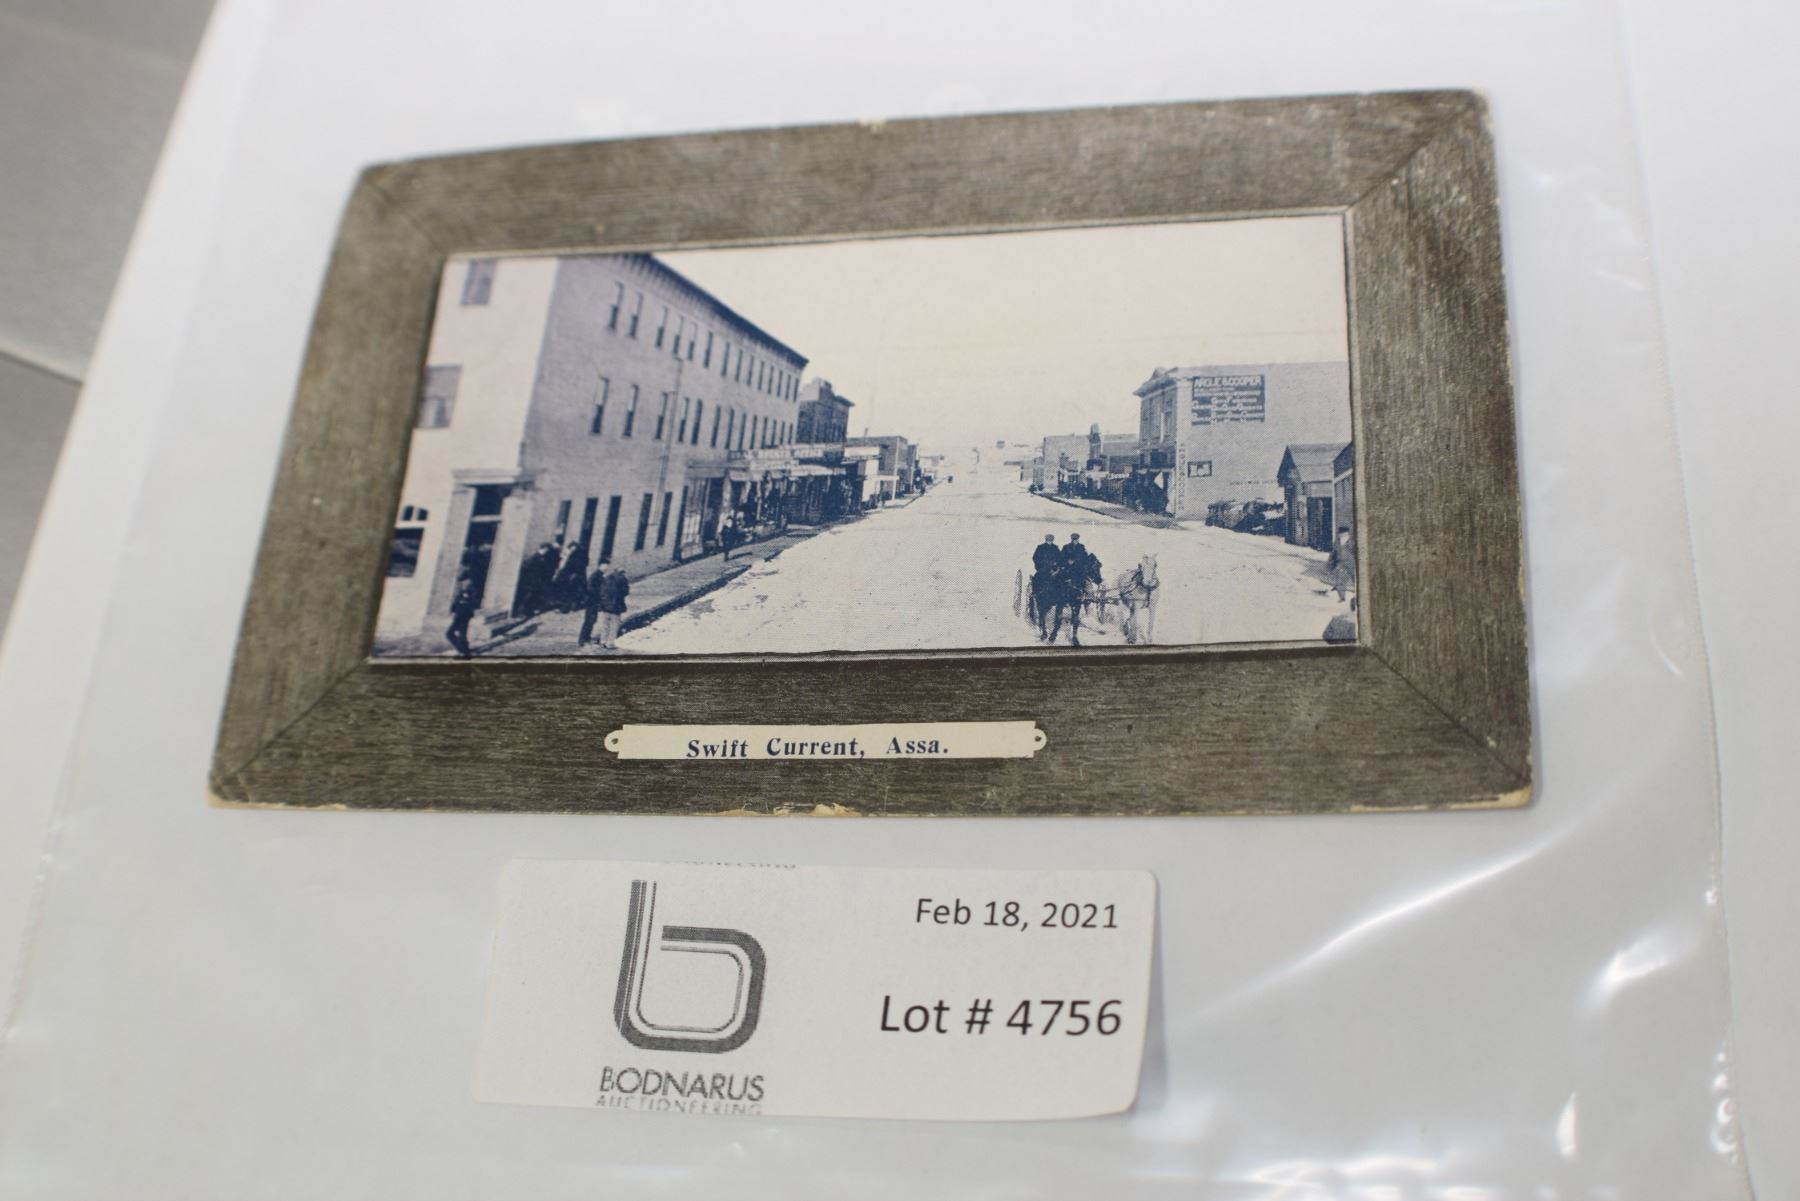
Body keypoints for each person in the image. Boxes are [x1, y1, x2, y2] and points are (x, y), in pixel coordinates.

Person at [1050, 532, 1103, 646]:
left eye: (1076, 539)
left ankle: (1074, 635)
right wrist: (1067, 562)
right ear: (1071, 539)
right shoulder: (1066, 547)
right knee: (1057, 579)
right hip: (1067, 571)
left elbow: (1085, 560)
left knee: (1085, 583)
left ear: (1078, 539)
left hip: (1078, 572)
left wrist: (1077, 563)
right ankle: (1055, 595)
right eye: (1073, 539)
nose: (1075, 540)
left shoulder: (1081, 547)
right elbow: (1061, 559)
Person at [579, 557, 631, 649]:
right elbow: (590, 588)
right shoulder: (596, 575)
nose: (607, 567)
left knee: (595, 621)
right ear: (601, 565)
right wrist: (600, 593)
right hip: (592, 602)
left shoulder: (604, 576)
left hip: (599, 602)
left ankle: (589, 638)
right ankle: (583, 640)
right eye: (606, 565)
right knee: (590, 621)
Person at [1030, 534, 1062, 641]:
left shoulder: (1056, 548)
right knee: (1037, 578)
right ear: (1045, 540)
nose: (1049, 541)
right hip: (1043, 569)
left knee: (1060, 579)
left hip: (1053, 570)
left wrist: (1056, 566)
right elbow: (1035, 558)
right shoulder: (1040, 548)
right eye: (1048, 540)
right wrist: (1043, 564)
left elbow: (1060, 558)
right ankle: (1035, 592)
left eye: (1051, 540)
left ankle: (1060, 595)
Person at [515, 541, 559, 617]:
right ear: (543, 549)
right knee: (527, 596)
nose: (546, 551)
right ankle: (520, 612)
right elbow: (527, 568)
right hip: (531, 581)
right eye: (546, 550)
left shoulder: (543, 557)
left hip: (537, 581)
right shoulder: (534, 558)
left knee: (533, 596)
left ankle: (528, 611)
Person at [445, 572, 479, 658]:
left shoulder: (472, 590)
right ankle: (464, 652)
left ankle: (463, 652)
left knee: (449, 634)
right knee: (462, 633)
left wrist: (464, 602)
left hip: (464, 615)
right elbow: (456, 601)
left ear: (469, 580)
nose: (463, 583)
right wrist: (453, 610)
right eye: (462, 581)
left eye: (464, 581)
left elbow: (475, 603)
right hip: (459, 614)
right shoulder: (462, 590)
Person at [550, 542, 588, 611]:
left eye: (573, 549)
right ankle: (560, 606)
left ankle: (564, 608)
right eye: (571, 549)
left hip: (569, 577)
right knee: (561, 591)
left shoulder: (576, 558)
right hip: (563, 576)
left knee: (567, 593)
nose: (571, 550)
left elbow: (575, 568)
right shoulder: (566, 556)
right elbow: (560, 564)